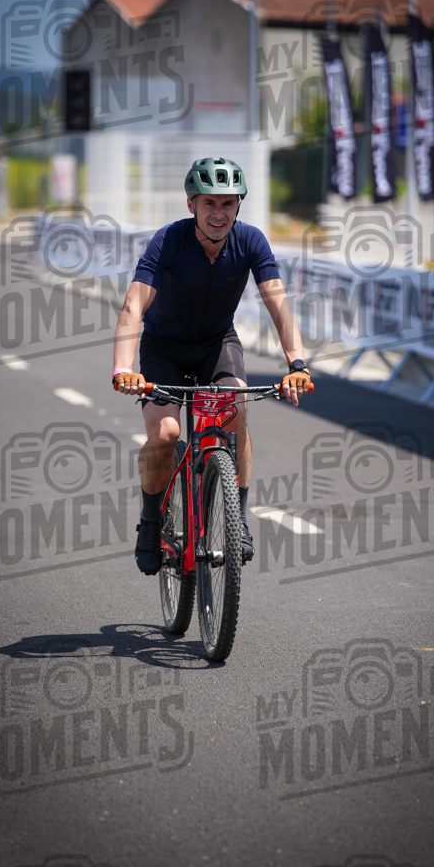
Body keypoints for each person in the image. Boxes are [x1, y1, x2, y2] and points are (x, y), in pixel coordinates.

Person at [112, 156, 312, 575]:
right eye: (209, 203)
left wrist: (297, 364)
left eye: (228, 203)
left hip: (217, 344)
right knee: (166, 433)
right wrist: (123, 368)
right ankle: (151, 522)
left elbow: (278, 303)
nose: (219, 213)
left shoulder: (251, 241)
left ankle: (238, 520)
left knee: (235, 411)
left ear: (238, 205)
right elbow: (133, 305)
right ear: (192, 205)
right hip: (164, 347)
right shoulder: (169, 240)